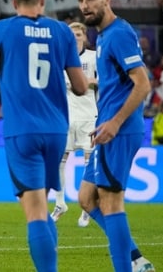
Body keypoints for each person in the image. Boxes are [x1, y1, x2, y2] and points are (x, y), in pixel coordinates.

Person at [0, 0, 88, 272]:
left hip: (22, 131)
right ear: (43, 0)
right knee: (42, 205)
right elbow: (80, 87)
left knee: (35, 213)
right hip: (56, 131)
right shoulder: (63, 32)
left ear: (14, 1)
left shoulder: (2, 29)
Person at [77, 0, 155, 272]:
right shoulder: (103, 36)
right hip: (106, 127)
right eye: (82, 0)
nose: (85, 5)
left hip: (118, 130)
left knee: (111, 202)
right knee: (87, 199)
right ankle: (136, 259)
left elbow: (143, 84)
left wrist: (115, 122)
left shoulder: (119, 33)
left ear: (106, 0)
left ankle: (127, 267)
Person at [50, 22, 97, 227]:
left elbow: (102, 81)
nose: (75, 37)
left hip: (88, 116)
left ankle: (87, 206)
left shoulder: (93, 57)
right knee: (59, 162)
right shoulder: (58, 58)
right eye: (72, 34)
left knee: (89, 163)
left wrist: (82, 82)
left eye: (78, 34)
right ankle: (60, 204)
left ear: (84, 37)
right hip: (65, 117)